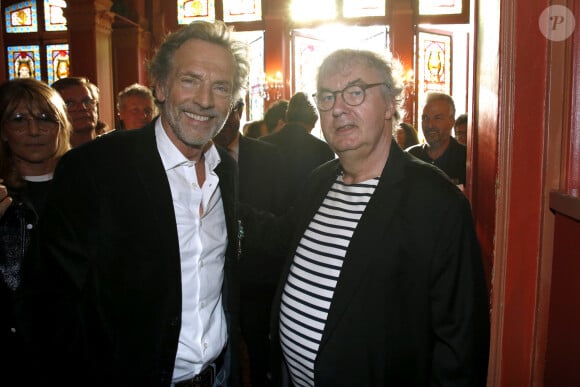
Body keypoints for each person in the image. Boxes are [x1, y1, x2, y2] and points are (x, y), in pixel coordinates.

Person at [19, 20, 250, 386]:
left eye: (220, 87)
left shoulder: (229, 171)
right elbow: (48, 305)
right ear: (160, 85)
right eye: (190, 80)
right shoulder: (96, 169)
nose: (205, 100)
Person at [244, 48, 489, 386]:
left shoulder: (437, 202)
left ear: (390, 103)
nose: (339, 108)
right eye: (327, 97)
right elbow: (279, 237)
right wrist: (216, 202)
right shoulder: (320, 180)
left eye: (355, 92)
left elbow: (460, 343)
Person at [0, 78, 71, 385]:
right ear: (3, 131)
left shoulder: (88, 191)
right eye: (18, 120)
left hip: (76, 358)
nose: (33, 130)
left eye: (45, 118)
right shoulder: (3, 198)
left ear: (61, 126)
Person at [214, 99, 284, 387]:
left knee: (258, 360)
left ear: (241, 112)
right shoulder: (196, 157)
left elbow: (281, 214)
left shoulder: (269, 156)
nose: (226, 120)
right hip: (215, 282)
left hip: (258, 280)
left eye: (232, 111)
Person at [260, 91, 335, 208]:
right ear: (313, 121)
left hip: (268, 217)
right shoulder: (323, 149)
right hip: (306, 217)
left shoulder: (262, 144)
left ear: (288, 116)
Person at [407, 92, 467, 187]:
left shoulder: (466, 159)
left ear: (451, 122)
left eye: (437, 118)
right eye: (425, 118)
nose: (430, 125)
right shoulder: (409, 157)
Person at [52, 76, 107, 147]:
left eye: (87, 101)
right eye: (69, 104)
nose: (82, 108)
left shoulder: (113, 146)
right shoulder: (53, 156)